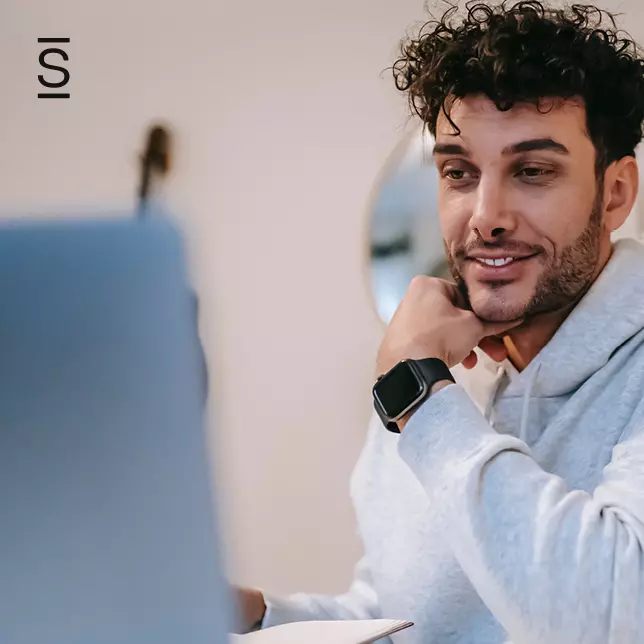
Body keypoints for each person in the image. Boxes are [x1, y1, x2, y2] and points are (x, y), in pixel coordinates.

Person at [236, 2, 644, 642]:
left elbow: (614, 615)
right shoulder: (437, 370)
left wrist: (420, 398)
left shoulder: (422, 390)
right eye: (459, 172)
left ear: (616, 192)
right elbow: (406, 610)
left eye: (531, 171)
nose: (485, 216)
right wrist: (261, 615)